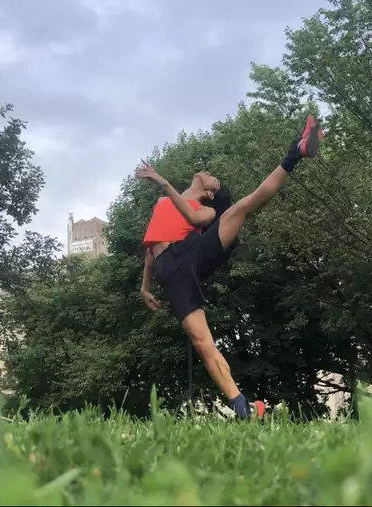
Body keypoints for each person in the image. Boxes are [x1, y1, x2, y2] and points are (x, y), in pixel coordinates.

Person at [136, 114, 323, 420]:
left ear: (209, 192)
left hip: (191, 255)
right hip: (168, 270)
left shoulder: (206, 211)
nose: (207, 172)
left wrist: (162, 181)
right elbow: (150, 251)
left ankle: (296, 151)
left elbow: (193, 221)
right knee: (200, 341)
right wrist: (145, 287)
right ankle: (243, 407)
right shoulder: (163, 203)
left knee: (243, 207)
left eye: (213, 178)